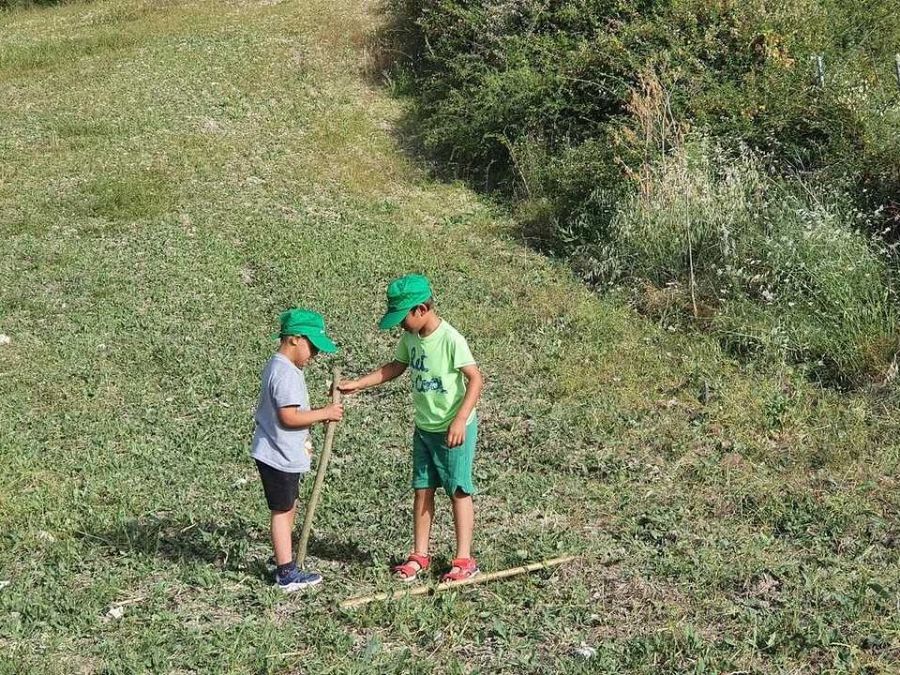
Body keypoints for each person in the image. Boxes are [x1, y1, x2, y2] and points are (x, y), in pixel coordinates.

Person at [340, 275, 484, 582]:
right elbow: (396, 367)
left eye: (402, 318)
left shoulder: (450, 339)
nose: (399, 326)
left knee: (458, 490)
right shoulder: (411, 339)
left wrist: (460, 419)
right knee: (422, 489)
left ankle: (464, 558)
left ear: (420, 309)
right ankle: (419, 554)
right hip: (424, 429)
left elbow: (476, 379)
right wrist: (359, 383)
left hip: (452, 430)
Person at [251, 308, 343, 592]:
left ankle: (283, 555)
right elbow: (288, 417)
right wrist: (324, 413)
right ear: (294, 339)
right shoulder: (286, 373)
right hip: (277, 455)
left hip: (283, 452)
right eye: (312, 347)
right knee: (282, 511)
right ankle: (285, 573)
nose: (314, 355)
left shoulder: (281, 366)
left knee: (288, 507)